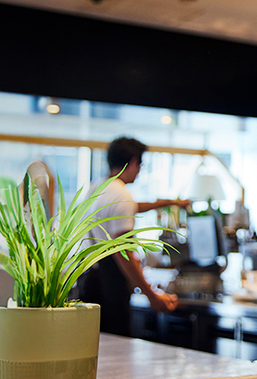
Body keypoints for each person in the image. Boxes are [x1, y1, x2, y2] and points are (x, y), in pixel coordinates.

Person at [74, 137, 189, 336]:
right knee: (116, 345)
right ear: (134, 162)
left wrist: (171, 203)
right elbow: (124, 252)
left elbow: (132, 207)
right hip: (110, 286)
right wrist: (152, 295)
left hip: (88, 279)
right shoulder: (121, 195)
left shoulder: (98, 187)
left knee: (93, 343)